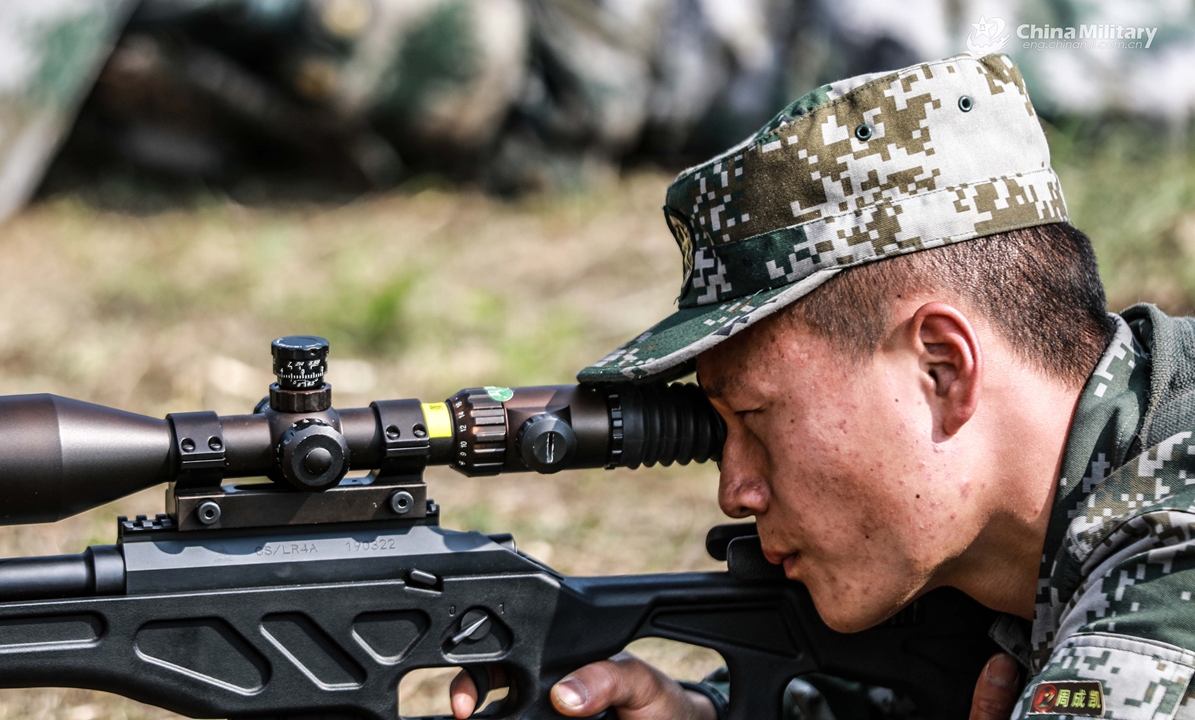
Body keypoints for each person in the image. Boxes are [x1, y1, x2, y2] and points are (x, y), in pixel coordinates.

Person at [451, 50, 1195, 720]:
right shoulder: (1039, 538)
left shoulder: (1172, 547)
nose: (734, 491)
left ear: (942, 368)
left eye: (755, 416)